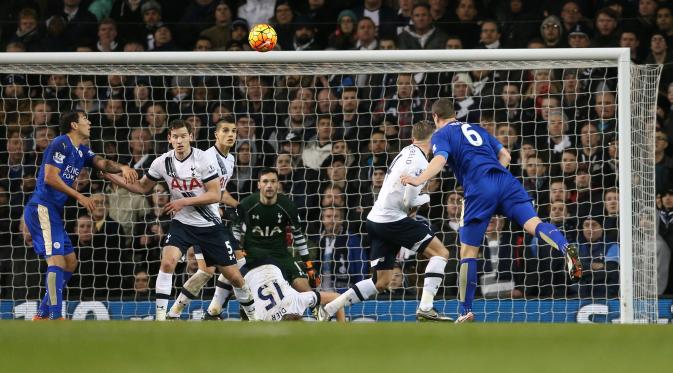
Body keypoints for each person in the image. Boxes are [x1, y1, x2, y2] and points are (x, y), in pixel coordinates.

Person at [400, 98, 582, 323]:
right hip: (505, 180)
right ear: (454, 114)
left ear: (436, 118)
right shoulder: (476, 128)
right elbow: (505, 155)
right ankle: (565, 247)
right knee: (534, 223)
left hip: (478, 188)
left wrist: (418, 179)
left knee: (468, 253)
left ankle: (465, 311)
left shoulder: (441, 134)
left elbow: (439, 159)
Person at [102, 119, 256, 321]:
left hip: (209, 225)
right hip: (182, 223)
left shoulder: (205, 159)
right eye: (175, 136)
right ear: (169, 139)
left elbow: (215, 194)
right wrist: (109, 175)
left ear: (191, 137)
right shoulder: (162, 162)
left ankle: (253, 317)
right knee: (168, 263)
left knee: (234, 276)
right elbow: (141, 187)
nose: (180, 140)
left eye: (184, 136)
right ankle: (162, 319)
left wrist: (185, 202)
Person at [318, 121, 453, 322]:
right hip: (392, 220)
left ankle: (329, 308)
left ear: (412, 138)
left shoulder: (406, 151)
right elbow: (409, 201)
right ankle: (426, 307)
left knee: (381, 282)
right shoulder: (421, 163)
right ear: (433, 140)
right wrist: (426, 198)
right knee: (441, 253)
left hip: (375, 219)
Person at [23, 111, 137, 320]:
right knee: (56, 262)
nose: (90, 122)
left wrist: (123, 167)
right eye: (86, 119)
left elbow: (102, 163)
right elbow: (49, 177)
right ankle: (55, 316)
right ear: (74, 125)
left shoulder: (81, 151)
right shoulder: (60, 143)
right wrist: (80, 197)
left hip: (53, 212)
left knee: (70, 262)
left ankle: (42, 314)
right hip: (41, 209)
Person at [169, 117, 245, 320]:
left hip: (213, 221)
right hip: (201, 222)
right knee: (237, 266)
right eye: (226, 131)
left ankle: (177, 312)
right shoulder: (206, 157)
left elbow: (220, 191)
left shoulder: (230, 159)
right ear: (216, 135)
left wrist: (237, 206)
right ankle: (243, 310)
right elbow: (196, 191)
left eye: (234, 131)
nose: (231, 135)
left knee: (207, 271)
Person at [244, 259, 345, 322]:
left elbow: (337, 298)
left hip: (270, 265)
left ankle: (317, 311)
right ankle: (317, 311)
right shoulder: (263, 319)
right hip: (249, 272)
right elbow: (337, 297)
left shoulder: (298, 300)